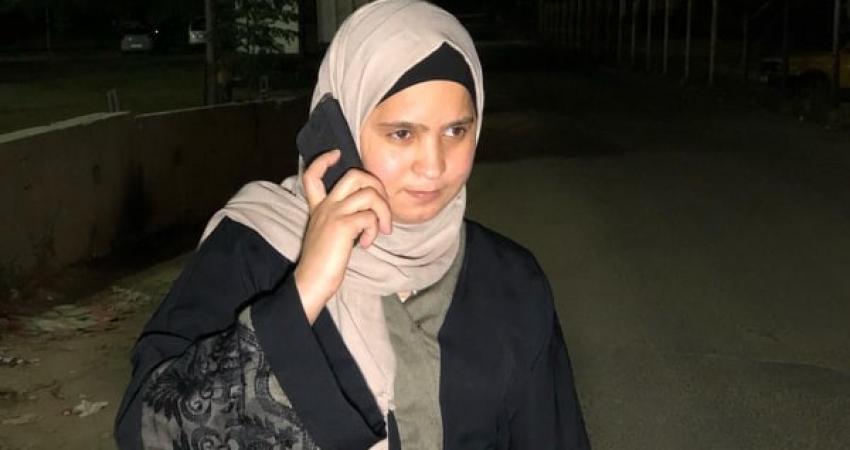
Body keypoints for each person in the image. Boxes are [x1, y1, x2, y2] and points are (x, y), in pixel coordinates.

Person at [114, 1, 590, 449]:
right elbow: (146, 432)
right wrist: (303, 292)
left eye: (456, 131)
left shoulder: (511, 282)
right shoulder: (252, 252)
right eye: (402, 133)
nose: (433, 166)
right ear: (339, 130)